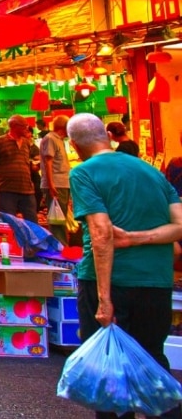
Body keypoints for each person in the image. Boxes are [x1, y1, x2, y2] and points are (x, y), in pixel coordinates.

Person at [69, 113, 182, 419]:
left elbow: (101, 233)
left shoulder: (84, 173)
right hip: (155, 282)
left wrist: (104, 300)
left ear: (74, 144)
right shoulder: (152, 172)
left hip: (109, 280)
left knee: (108, 369)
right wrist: (138, 237)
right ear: (106, 135)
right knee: (152, 361)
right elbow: (180, 227)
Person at [0, 115, 37, 222]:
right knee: (9, 222)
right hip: (6, 189)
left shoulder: (26, 143)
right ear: (14, 126)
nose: (26, 128)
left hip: (27, 189)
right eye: (24, 126)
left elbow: (26, 162)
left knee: (32, 222)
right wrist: (0, 177)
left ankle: (29, 239)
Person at [41, 115, 74, 243]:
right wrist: (51, 185)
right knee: (57, 219)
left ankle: (62, 246)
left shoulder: (59, 140)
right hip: (56, 183)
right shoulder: (50, 139)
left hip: (62, 183)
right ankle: (59, 248)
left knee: (61, 218)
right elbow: (48, 162)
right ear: (64, 128)